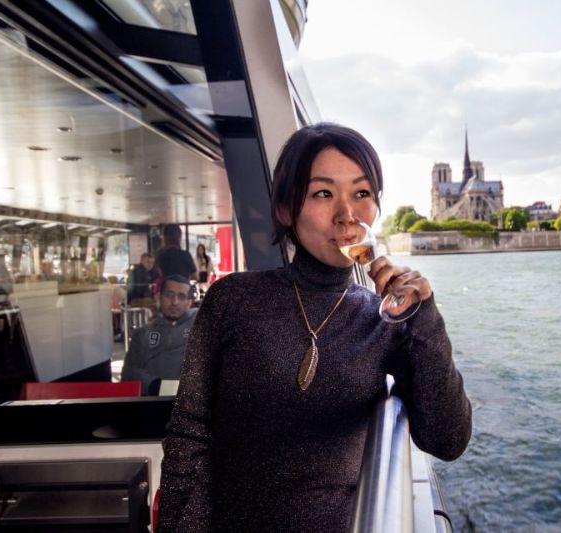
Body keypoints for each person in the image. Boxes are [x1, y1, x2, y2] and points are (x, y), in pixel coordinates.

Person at [158, 123, 471, 532]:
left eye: (362, 194)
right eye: (323, 193)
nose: (347, 215)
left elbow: (447, 440)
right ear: (287, 209)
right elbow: (188, 436)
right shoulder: (233, 300)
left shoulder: (382, 320)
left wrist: (425, 316)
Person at [120, 275, 197, 395]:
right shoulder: (143, 334)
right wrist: (156, 386)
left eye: (181, 297)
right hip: (155, 401)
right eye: (169, 295)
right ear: (159, 297)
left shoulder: (202, 327)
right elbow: (129, 373)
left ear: (189, 302)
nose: (175, 302)